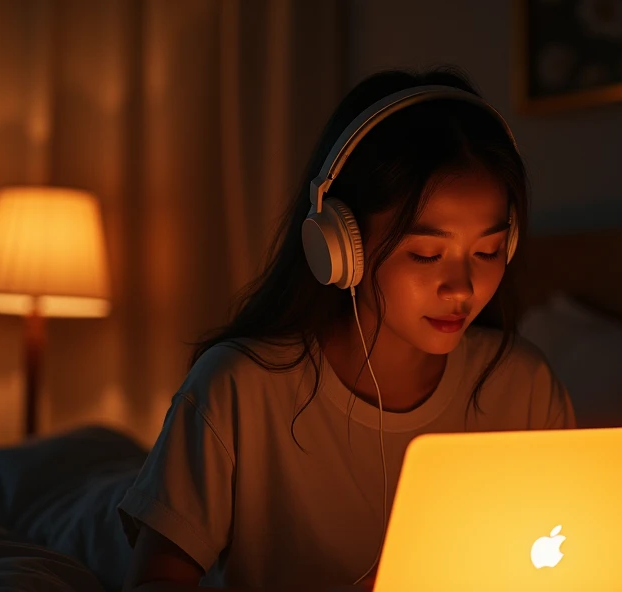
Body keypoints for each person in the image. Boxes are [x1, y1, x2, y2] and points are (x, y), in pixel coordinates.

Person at [118, 66, 576, 592]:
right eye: (426, 254)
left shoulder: (525, 386)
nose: (462, 288)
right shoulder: (237, 387)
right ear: (339, 247)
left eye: (487, 251)